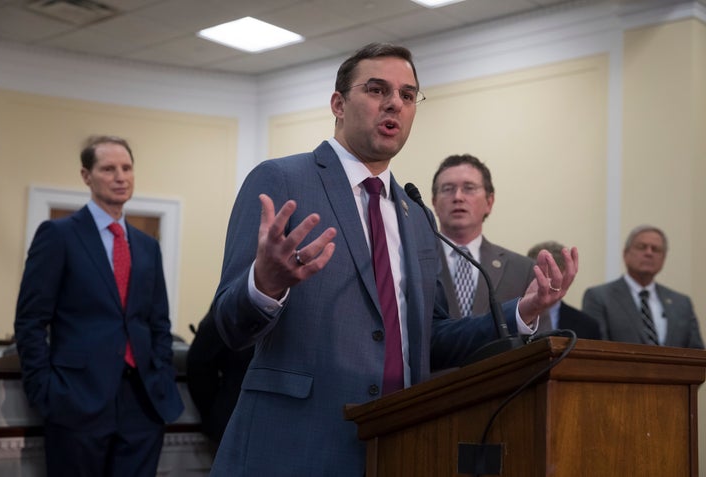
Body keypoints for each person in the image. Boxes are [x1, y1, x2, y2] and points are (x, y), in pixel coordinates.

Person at [209, 43, 578, 476]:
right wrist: (265, 284)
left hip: (399, 443)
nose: (394, 104)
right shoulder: (283, 178)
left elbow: (432, 337)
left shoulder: (415, 213)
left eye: (407, 95)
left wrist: (523, 311)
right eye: (377, 89)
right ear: (338, 104)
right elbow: (229, 326)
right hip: (296, 443)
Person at [14, 135, 184, 476]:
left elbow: (158, 323)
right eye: (108, 168)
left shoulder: (147, 246)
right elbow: (30, 320)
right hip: (76, 400)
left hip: (142, 403)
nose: (120, 176)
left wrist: (161, 371)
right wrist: (43, 390)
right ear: (86, 176)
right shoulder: (58, 235)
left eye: (127, 168)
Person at [431, 154, 534, 318]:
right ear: (434, 203)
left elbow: (541, 339)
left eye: (469, 188)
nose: (458, 197)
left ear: (489, 201)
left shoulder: (523, 270)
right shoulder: (414, 261)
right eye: (448, 189)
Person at [582, 225, 703, 348]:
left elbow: (697, 355)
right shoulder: (599, 297)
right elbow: (597, 350)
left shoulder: (682, 303)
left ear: (664, 258)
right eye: (642, 247)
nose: (649, 253)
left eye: (656, 249)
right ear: (625, 254)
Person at [186, 302, 253, 448]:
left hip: (235, 419)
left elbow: (200, 359)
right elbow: (200, 362)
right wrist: (214, 412)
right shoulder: (240, 295)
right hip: (233, 421)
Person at [527, 241, 601, 339]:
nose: (543, 283)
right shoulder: (510, 317)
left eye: (552, 275)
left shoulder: (587, 325)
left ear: (567, 275)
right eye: (538, 274)